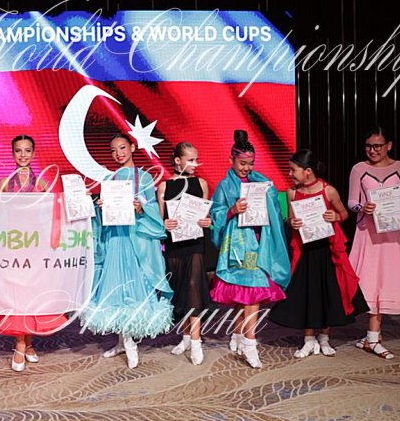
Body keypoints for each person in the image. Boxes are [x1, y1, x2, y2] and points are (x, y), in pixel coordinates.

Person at [81, 133, 173, 369]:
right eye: (113, 150)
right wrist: (99, 206)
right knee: (116, 289)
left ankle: (130, 343)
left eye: (122, 148)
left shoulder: (144, 178)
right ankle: (122, 341)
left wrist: (141, 208)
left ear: (132, 147)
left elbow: (154, 210)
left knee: (132, 288)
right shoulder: (110, 179)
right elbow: (104, 214)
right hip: (115, 239)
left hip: (135, 240)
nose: (118, 153)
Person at [269, 150, 368, 357]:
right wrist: (293, 222)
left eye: (293, 170)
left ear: (308, 171)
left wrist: (335, 216)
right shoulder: (291, 192)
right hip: (305, 250)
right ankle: (308, 340)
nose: (290, 173)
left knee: (326, 291)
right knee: (307, 292)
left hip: (326, 250)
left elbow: (344, 214)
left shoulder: (328, 191)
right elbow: (291, 219)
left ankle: (324, 338)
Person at [0, 135, 68, 372]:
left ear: (33, 153)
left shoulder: (42, 183)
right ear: (12, 154)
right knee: (16, 297)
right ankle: (20, 346)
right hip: (12, 247)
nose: (23, 155)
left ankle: (28, 343)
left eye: (27, 150)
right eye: (18, 151)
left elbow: (53, 213)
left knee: (31, 296)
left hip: (35, 247)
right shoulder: (4, 183)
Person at [209, 130, 291, 369]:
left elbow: (274, 208)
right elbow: (215, 213)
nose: (247, 168)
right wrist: (232, 210)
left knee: (249, 293)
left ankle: (239, 336)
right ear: (231, 160)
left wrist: (269, 194)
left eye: (251, 163)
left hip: (258, 242)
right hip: (238, 246)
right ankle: (249, 343)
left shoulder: (260, 182)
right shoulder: (224, 186)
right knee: (247, 292)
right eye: (242, 163)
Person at [348, 127, 400, 359]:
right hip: (368, 233)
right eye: (369, 146)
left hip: (391, 233)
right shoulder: (359, 169)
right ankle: (372, 337)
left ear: (389, 145)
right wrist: (362, 207)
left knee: (386, 280)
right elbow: (351, 201)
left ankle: (372, 336)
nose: (373, 150)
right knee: (369, 280)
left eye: (378, 146)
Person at [157, 142, 214, 365]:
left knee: (193, 286)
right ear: (177, 161)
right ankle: (186, 337)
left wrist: (207, 221)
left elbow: (205, 216)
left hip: (195, 243)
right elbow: (160, 221)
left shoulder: (201, 183)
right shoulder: (164, 186)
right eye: (190, 160)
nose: (195, 164)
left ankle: (196, 341)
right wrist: (165, 224)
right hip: (175, 245)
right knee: (181, 288)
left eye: (196, 159)